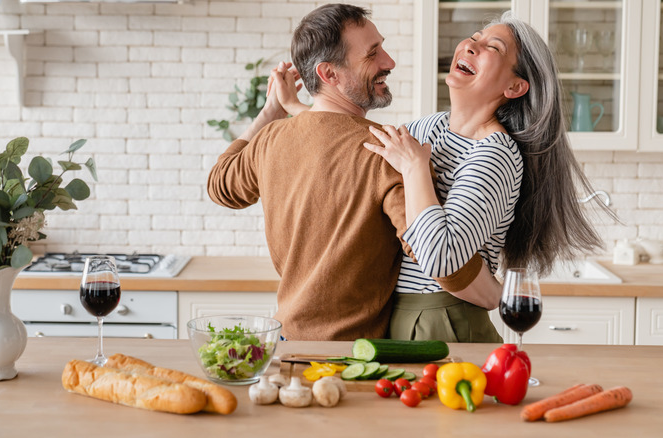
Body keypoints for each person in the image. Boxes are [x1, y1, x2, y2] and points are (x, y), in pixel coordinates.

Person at [206, 4, 497, 341]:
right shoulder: (386, 152)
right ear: (329, 74)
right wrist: (497, 296)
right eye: (373, 54)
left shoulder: (271, 139)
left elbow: (220, 185)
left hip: (285, 344)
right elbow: (439, 259)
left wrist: (270, 111)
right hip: (351, 358)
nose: (389, 62)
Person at [360, 11, 610, 341]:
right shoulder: (425, 128)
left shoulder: (495, 154)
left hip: (445, 320)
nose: (471, 46)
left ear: (515, 86)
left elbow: (441, 258)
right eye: (474, 37)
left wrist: (416, 168)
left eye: (492, 46)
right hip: (396, 314)